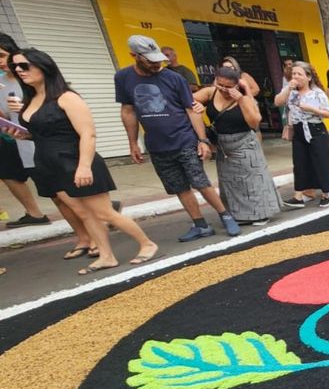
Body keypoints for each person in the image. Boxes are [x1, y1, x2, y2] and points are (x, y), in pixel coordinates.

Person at [10, 49, 157, 274]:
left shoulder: (67, 97)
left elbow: (88, 133)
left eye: (24, 65)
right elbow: (44, 133)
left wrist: (84, 166)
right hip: (50, 164)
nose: (19, 70)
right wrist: (23, 134)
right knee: (85, 214)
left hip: (75, 160)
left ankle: (147, 244)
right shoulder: (31, 99)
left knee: (104, 213)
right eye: (15, 67)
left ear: (44, 66)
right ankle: (106, 256)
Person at [116, 35, 240, 241]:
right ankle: (200, 225)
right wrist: (133, 143)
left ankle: (225, 215)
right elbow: (128, 111)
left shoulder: (174, 78)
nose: (156, 64)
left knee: (200, 181)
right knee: (179, 187)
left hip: (184, 139)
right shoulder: (123, 78)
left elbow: (192, 109)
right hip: (157, 145)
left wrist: (202, 140)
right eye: (150, 60)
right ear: (134, 56)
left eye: (158, 60)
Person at [192, 66, 282, 225]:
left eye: (228, 86)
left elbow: (254, 123)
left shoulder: (245, 98)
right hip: (223, 145)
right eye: (220, 84)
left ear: (236, 85)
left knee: (252, 180)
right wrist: (197, 105)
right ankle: (237, 214)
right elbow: (187, 100)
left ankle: (260, 213)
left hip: (245, 142)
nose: (223, 89)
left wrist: (241, 99)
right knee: (230, 181)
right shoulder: (210, 93)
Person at [0, 32, 51, 230]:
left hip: (44, 139)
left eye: (2, 56)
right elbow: (6, 116)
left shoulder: (31, 76)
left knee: (60, 188)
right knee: (9, 172)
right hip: (19, 140)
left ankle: (103, 210)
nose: (0, 62)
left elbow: (53, 107)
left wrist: (24, 108)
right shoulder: (2, 83)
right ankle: (34, 213)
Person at [275, 61, 329, 208]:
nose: (295, 77)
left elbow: (328, 113)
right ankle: (298, 196)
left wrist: (312, 109)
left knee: (321, 162)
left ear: (308, 77)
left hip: (315, 130)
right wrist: (288, 89)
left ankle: (326, 193)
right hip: (298, 130)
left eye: (299, 74)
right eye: (294, 74)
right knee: (299, 163)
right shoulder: (290, 91)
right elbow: (278, 102)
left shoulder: (317, 93)